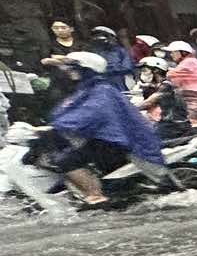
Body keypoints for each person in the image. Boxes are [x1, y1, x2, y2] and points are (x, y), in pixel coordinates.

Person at [36, 51, 166, 204]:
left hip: (114, 142)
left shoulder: (101, 91)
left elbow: (88, 115)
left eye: (74, 69)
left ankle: (96, 196)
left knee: (66, 161)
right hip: (107, 139)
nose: (70, 72)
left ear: (85, 70)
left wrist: (56, 126)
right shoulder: (90, 87)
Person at [135, 56, 195, 141]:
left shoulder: (167, 86)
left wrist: (127, 108)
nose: (142, 74)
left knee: (143, 140)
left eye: (145, 70)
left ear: (156, 71)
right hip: (168, 124)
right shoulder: (161, 85)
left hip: (174, 126)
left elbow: (148, 103)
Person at [160, 40, 197, 122]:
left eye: (173, 52)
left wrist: (160, 72)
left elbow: (171, 75)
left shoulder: (189, 62)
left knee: (188, 122)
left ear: (183, 52)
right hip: (194, 96)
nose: (171, 55)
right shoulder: (188, 62)